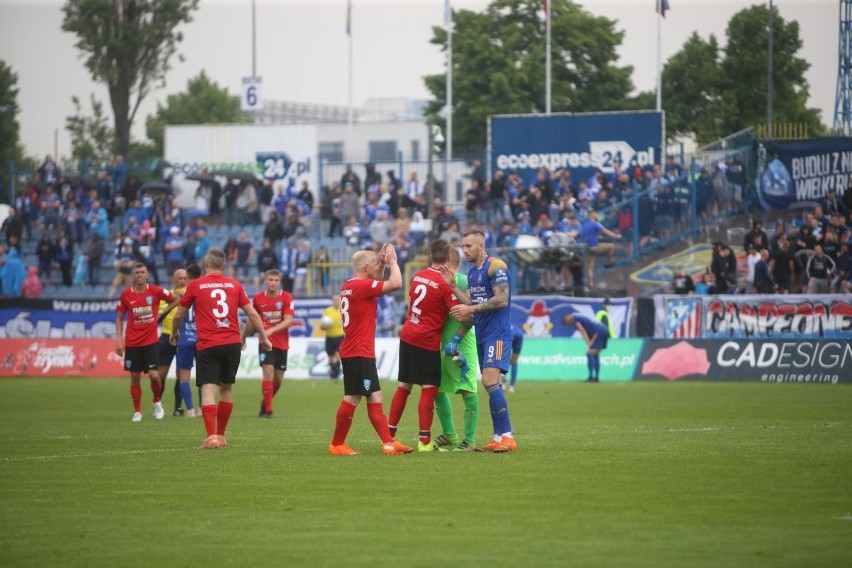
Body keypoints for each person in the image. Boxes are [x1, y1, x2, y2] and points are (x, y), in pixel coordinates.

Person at [169, 248, 272, 449]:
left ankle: (211, 437)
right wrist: (264, 337)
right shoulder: (234, 285)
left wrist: (174, 332)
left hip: (209, 344)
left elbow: (179, 315)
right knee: (226, 389)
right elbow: (253, 315)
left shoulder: (196, 285)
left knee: (208, 391)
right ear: (224, 266)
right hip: (232, 343)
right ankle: (222, 436)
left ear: (206, 265)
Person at [328, 244, 413, 456]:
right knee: (353, 397)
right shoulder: (361, 287)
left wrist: (382, 261)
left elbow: (377, 278)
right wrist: (393, 261)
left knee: (375, 396)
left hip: (357, 350)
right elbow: (395, 283)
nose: (378, 267)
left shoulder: (351, 285)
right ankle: (337, 444)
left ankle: (388, 443)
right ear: (366, 267)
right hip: (358, 351)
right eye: (375, 264)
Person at [440, 229, 517, 453]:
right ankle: (498, 437)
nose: (465, 251)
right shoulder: (473, 274)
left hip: (498, 333)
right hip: (483, 334)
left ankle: (508, 437)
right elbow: (474, 302)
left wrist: (470, 309)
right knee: (492, 383)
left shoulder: (496, 266)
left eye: (469, 247)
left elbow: (501, 299)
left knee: (489, 380)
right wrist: (454, 286)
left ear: (481, 246)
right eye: (463, 247)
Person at [386, 239, 461, 452]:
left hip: (408, 333)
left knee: (404, 385)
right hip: (427, 339)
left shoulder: (417, 276)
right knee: (429, 388)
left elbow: (412, 304)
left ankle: (389, 436)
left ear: (430, 256)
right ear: (448, 259)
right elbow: (457, 311)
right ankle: (425, 442)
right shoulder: (446, 283)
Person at [115, 263, 175, 422]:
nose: (140, 275)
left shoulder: (155, 291)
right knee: (134, 376)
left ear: (147, 275)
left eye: (142, 272)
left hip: (150, 342)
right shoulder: (126, 294)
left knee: (155, 376)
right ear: (133, 276)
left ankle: (156, 401)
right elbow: (120, 318)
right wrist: (119, 340)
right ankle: (137, 411)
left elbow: (175, 300)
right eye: (137, 272)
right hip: (133, 342)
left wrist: (161, 315)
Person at [433, 247, 479, 451]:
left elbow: (472, 314)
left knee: (467, 391)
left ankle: (469, 440)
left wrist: (457, 337)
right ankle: (449, 434)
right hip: (443, 346)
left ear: (450, 259)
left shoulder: (461, 281)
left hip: (461, 346)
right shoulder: (438, 281)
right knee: (436, 390)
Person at [241, 269, 294, 418]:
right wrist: (243, 337)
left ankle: (265, 402)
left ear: (280, 282)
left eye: (276, 280)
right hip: (265, 342)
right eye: (270, 280)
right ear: (265, 281)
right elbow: (253, 320)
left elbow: (289, 320)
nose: (273, 283)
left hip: (282, 343)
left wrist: (271, 331)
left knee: (278, 379)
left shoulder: (287, 297)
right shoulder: (258, 299)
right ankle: (269, 410)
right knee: (268, 373)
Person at [156, 268, 188, 417]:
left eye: (185, 278)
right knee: (161, 374)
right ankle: (158, 403)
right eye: (179, 278)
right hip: (166, 336)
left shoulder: (189, 295)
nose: (182, 281)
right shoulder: (165, 296)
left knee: (180, 374)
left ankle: (177, 408)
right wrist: (173, 303)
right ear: (174, 280)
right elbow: (158, 319)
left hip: (183, 338)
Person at [173, 264, 202, 418]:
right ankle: (202, 409)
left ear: (189, 278)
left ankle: (190, 410)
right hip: (202, 339)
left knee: (184, 377)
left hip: (185, 339)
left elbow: (177, 316)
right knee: (204, 376)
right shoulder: (204, 293)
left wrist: (174, 333)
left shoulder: (182, 295)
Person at [562, 312, 610, 383]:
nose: (569, 325)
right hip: (604, 329)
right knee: (595, 354)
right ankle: (596, 378)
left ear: (566, 320)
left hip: (599, 331)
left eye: (567, 323)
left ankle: (591, 377)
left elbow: (583, 331)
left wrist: (589, 345)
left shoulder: (574, 320)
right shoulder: (576, 315)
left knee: (589, 353)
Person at [320, 294, 344, 381]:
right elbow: (322, 327)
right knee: (330, 360)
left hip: (340, 337)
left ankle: (335, 375)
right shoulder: (327, 311)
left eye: (338, 299)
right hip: (329, 337)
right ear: (332, 301)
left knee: (338, 356)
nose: (336, 301)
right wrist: (325, 325)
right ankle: (335, 373)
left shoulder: (343, 310)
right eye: (334, 300)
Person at [500, 323, 524, 393]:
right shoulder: (512, 325)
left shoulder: (500, 326)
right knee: (514, 361)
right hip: (519, 334)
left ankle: (503, 383)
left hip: (508, 335)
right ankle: (512, 386)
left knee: (503, 360)